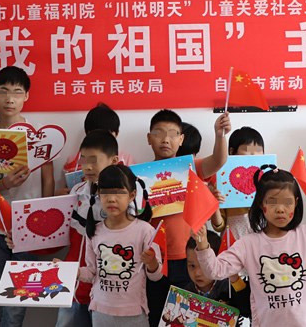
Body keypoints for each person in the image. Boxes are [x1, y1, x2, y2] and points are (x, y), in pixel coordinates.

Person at [193, 166, 306, 327]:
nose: (280, 209)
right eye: (272, 202)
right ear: (261, 204)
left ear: (296, 203)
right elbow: (214, 271)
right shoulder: (248, 244)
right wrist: (202, 243)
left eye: (287, 202)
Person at [0, 66, 54, 327]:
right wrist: (4, 183)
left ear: (26, 96)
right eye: (3, 91)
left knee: (18, 302)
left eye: (17, 92)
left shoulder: (40, 136)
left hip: (29, 228)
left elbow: (48, 180)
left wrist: (43, 224)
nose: (9, 98)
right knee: (0, 298)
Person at [145, 110, 228, 326]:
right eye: (159, 133)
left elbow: (218, 161)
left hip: (188, 259)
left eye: (173, 134)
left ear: (181, 139)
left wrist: (220, 135)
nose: (166, 139)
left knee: (187, 319)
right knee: (157, 315)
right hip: (155, 259)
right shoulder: (139, 175)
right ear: (149, 138)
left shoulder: (190, 167)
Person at [78, 164, 162, 327]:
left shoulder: (144, 231)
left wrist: (151, 262)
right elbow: (91, 272)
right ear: (98, 194)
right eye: (105, 192)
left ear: (132, 195)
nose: (111, 198)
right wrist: (73, 272)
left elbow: (156, 276)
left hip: (134, 313)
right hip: (100, 311)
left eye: (118, 192)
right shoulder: (94, 231)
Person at [55, 129, 120, 327]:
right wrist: (23, 240)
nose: (87, 166)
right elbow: (59, 234)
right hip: (73, 283)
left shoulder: (123, 198)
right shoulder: (76, 192)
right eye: (83, 160)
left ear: (114, 161)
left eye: (94, 160)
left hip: (107, 289)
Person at [210, 126, 266, 239]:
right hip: (234, 242)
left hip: (263, 242)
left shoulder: (269, 179)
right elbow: (219, 226)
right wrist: (214, 205)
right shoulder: (222, 182)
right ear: (232, 152)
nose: (253, 157)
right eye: (248, 152)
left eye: (258, 152)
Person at [184, 232, 250, 320]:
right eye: (192, 266)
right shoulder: (185, 293)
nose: (197, 273)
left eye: (203, 266)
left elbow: (246, 310)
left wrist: (230, 307)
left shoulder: (229, 288)